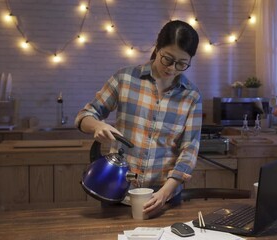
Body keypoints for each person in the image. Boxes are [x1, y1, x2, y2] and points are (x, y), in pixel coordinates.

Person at [75, 20, 202, 216]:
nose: (172, 68)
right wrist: (97, 125)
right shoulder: (125, 79)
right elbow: (85, 115)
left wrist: (165, 192)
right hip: (118, 193)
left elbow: (189, 150)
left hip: (163, 198)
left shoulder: (191, 96)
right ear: (157, 48)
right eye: (167, 59)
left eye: (181, 63)